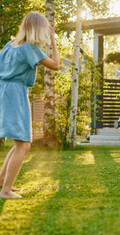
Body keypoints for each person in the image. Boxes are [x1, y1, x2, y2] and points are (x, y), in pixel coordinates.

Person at [0, 12, 60, 198]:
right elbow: (56, 65)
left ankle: (2, 181)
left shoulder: (9, 45)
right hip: (15, 92)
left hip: (3, 90)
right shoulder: (29, 48)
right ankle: (6, 190)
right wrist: (53, 39)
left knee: (20, 140)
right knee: (24, 144)